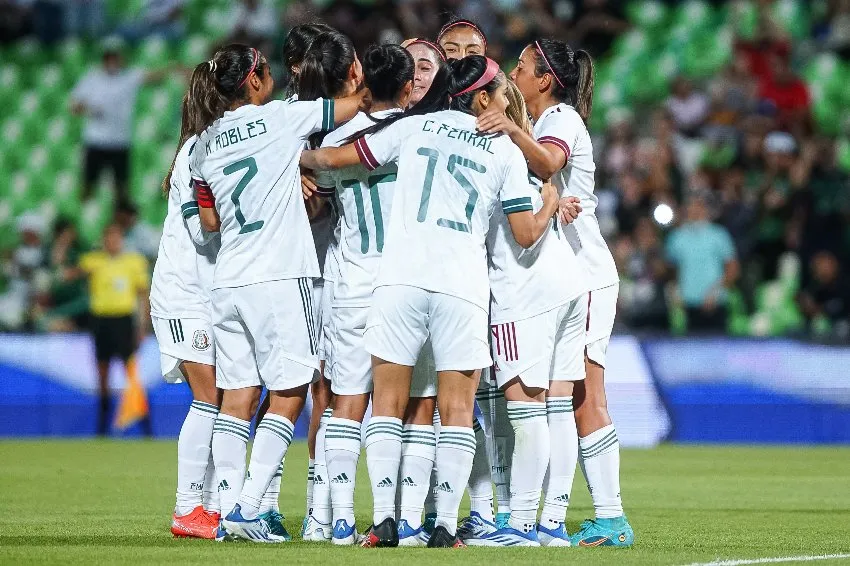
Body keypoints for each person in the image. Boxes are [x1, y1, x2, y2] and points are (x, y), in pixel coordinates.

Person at [301, 55, 560, 548]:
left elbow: (338, 159)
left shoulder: (415, 127)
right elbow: (525, 234)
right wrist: (548, 200)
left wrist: (298, 160)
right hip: (461, 287)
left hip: (398, 281)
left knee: (388, 405)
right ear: (481, 98)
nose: (507, 103)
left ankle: (382, 523)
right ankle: (443, 526)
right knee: (457, 410)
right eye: (502, 94)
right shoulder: (504, 150)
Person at [188, 44, 365, 543]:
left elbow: (211, 220)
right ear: (254, 81)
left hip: (229, 279)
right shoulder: (283, 119)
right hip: (279, 275)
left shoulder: (202, 144)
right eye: (266, 69)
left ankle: (224, 512)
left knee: (238, 397)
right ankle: (247, 510)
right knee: (289, 393)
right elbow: (354, 105)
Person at [478, 38, 634, 546]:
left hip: (582, 272)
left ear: (544, 79)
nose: (513, 73)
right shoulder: (542, 123)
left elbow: (547, 164)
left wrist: (509, 127)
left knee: (585, 396)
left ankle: (609, 516)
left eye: (521, 67)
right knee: (561, 399)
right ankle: (549, 519)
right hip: (561, 273)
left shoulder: (561, 118)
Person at [460, 79, 588, 547]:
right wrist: (554, 197)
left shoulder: (491, 151)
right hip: (569, 285)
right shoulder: (527, 156)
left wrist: (552, 201)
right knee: (555, 407)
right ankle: (552, 523)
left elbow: (523, 233)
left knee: (524, 407)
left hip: (524, 290)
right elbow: (544, 191)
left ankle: (518, 525)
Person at [309, 43, 414, 546]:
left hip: (351, 279)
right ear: (411, 84)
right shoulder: (419, 135)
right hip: (402, 281)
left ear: (361, 81)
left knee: (346, 400)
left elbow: (319, 208)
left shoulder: (335, 139)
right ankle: (396, 515)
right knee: (403, 404)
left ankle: (340, 519)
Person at [294, 29, 364, 543]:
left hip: (328, 265)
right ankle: (321, 504)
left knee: (330, 390)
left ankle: (323, 509)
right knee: (327, 389)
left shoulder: (310, 128)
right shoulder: (353, 125)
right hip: (324, 265)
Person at [150, 62, 224, 540]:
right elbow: (202, 232)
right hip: (185, 293)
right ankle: (186, 509)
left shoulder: (202, 148)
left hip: (207, 292)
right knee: (209, 398)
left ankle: (214, 507)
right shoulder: (199, 151)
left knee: (224, 397)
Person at [69, 40, 167, 202]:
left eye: (115, 57)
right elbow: (74, 106)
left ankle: (119, 215)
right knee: (88, 183)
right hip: (96, 140)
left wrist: (173, 68)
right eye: (109, 57)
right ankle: (83, 211)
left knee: (121, 186)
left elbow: (153, 77)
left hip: (119, 141)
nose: (113, 61)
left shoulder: (129, 76)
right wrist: (89, 109)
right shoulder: (92, 78)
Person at [78, 223, 150, 436]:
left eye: (116, 238)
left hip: (123, 322)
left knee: (133, 377)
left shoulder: (133, 262)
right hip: (101, 322)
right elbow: (69, 274)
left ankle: (147, 429)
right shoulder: (93, 261)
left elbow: (142, 294)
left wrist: (142, 326)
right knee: (102, 376)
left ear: (122, 240)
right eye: (109, 238)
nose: (112, 242)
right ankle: (102, 429)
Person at [666, 193, 740, 333]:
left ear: (704, 208)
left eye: (696, 205)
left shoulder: (718, 235)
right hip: (689, 304)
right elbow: (671, 268)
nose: (692, 209)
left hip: (715, 304)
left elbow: (733, 268)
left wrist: (716, 292)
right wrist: (675, 290)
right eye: (689, 206)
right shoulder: (677, 237)